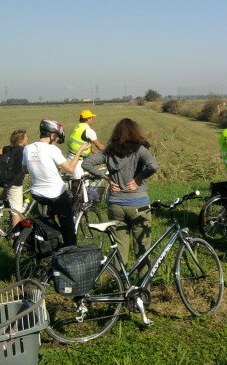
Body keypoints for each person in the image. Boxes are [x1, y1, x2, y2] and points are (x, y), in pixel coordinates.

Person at [83, 118, 158, 277]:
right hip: (139, 205)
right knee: (142, 245)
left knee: (119, 245)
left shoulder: (109, 150)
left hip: (115, 203)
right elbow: (153, 166)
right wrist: (138, 179)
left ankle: (120, 283)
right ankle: (143, 285)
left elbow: (87, 163)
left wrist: (106, 178)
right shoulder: (140, 150)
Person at [22, 120, 90, 247]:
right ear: (52, 135)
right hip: (56, 194)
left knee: (49, 220)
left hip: (37, 193)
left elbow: (24, 169)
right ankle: (70, 250)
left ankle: (50, 245)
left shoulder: (27, 148)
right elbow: (69, 168)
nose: (56, 141)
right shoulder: (52, 149)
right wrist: (79, 151)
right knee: (67, 224)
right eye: (57, 138)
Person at [0, 129, 29, 227]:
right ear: (21, 140)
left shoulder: (8, 149)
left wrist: (2, 162)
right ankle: (16, 236)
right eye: (26, 137)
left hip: (6, 181)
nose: (28, 139)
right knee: (16, 212)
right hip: (15, 183)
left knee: (4, 200)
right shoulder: (24, 151)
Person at [66, 110, 105, 180]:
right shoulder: (88, 130)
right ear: (88, 119)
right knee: (80, 182)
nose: (92, 119)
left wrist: (92, 151)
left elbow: (82, 141)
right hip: (77, 159)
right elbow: (99, 146)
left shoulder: (78, 126)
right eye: (92, 118)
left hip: (71, 156)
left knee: (85, 181)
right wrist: (110, 153)